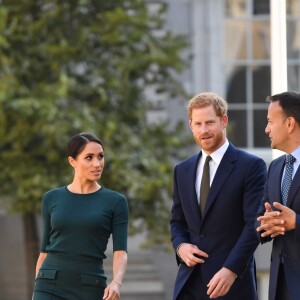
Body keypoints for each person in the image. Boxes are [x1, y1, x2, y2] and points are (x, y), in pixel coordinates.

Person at [170, 92, 266, 300]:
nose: (203, 130)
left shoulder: (251, 166)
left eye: (209, 123)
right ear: (191, 125)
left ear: (224, 121)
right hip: (190, 285)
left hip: (231, 285)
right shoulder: (182, 170)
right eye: (198, 124)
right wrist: (181, 246)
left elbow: (254, 226)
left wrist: (230, 270)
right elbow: (177, 222)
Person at [33, 132, 128, 300]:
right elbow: (44, 251)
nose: (97, 164)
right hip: (48, 283)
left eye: (100, 157)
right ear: (72, 161)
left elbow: (120, 251)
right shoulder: (51, 198)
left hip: (90, 286)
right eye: (89, 157)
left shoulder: (116, 201)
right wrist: (37, 287)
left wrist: (116, 282)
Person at [256, 91, 300, 300]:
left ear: (290, 123)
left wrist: (296, 223)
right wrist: (265, 224)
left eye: (270, 122)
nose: (267, 129)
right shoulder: (274, 167)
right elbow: (261, 219)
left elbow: (292, 222)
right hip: (279, 284)